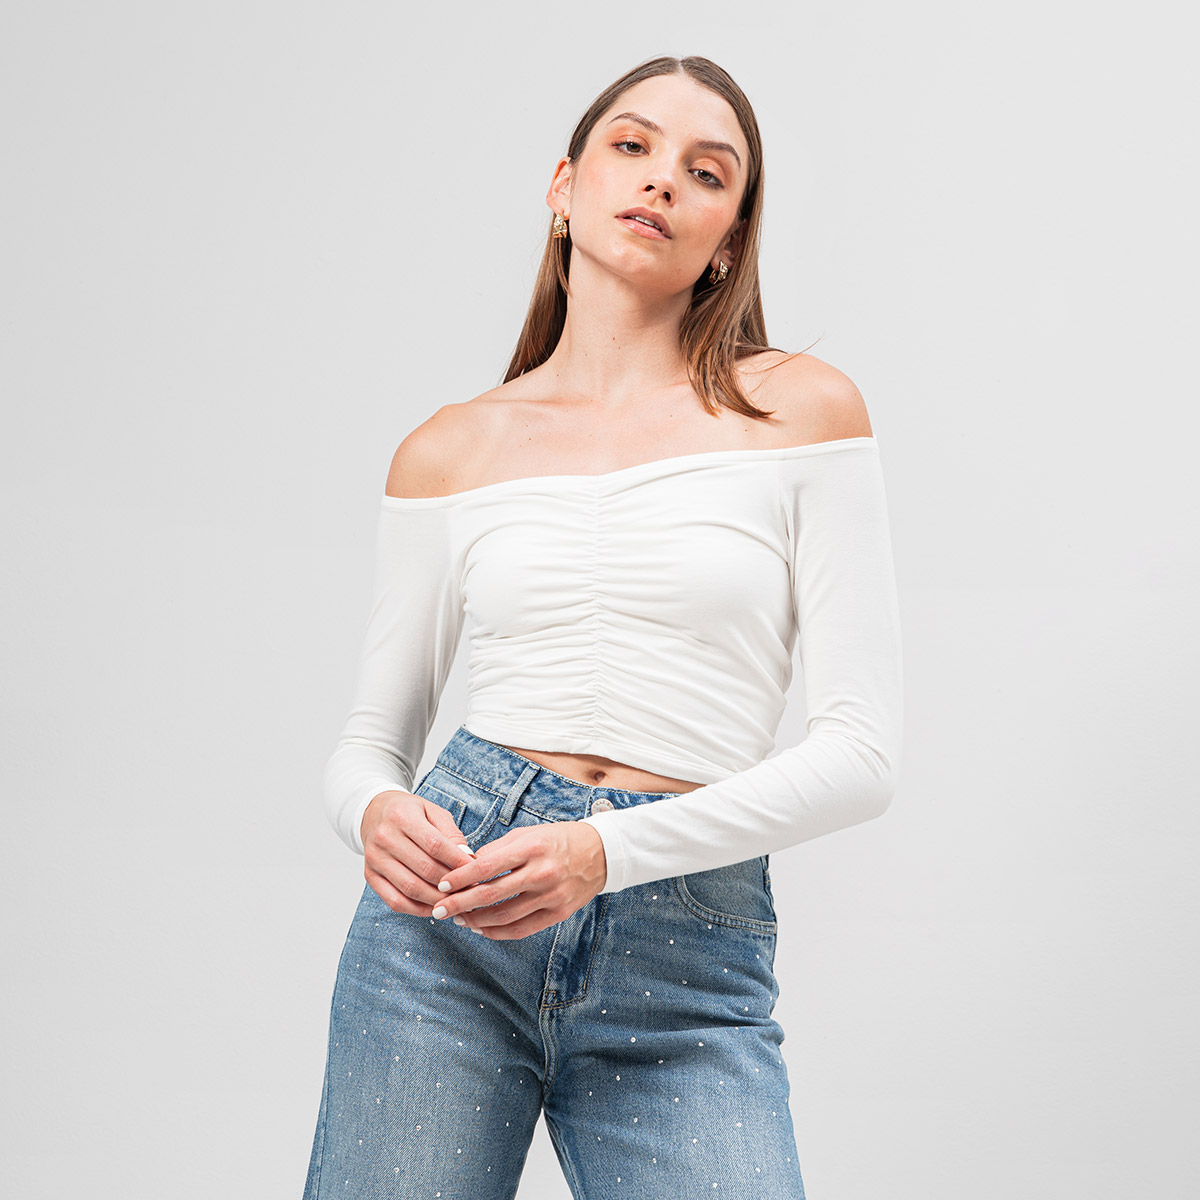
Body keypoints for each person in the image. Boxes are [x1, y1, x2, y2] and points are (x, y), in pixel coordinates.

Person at [302, 54, 903, 1200]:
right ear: (564, 187)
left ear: (728, 239)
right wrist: (371, 810)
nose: (662, 179)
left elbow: (863, 757)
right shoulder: (451, 448)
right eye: (632, 146)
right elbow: (370, 742)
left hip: (686, 945)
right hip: (453, 917)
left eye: (707, 171)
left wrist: (604, 855)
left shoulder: (800, 412)